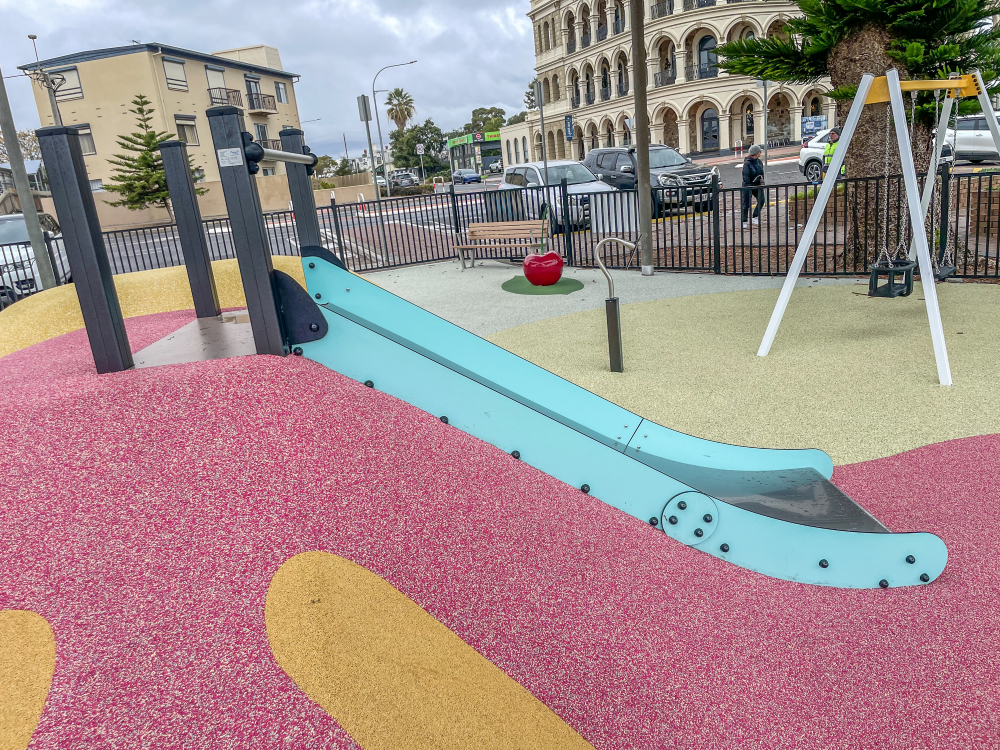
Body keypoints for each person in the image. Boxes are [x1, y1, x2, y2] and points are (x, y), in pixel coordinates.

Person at [741, 144, 765, 227]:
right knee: (746, 204)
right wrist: (748, 185)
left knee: (761, 200)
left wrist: (762, 182)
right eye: (759, 152)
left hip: (758, 185)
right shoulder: (747, 163)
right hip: (748, 185)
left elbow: (762, 172)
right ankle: (744, 221)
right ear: (755, 153)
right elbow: (745, 175)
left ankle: (755, 216)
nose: (760, 153)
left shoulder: (759, 162)